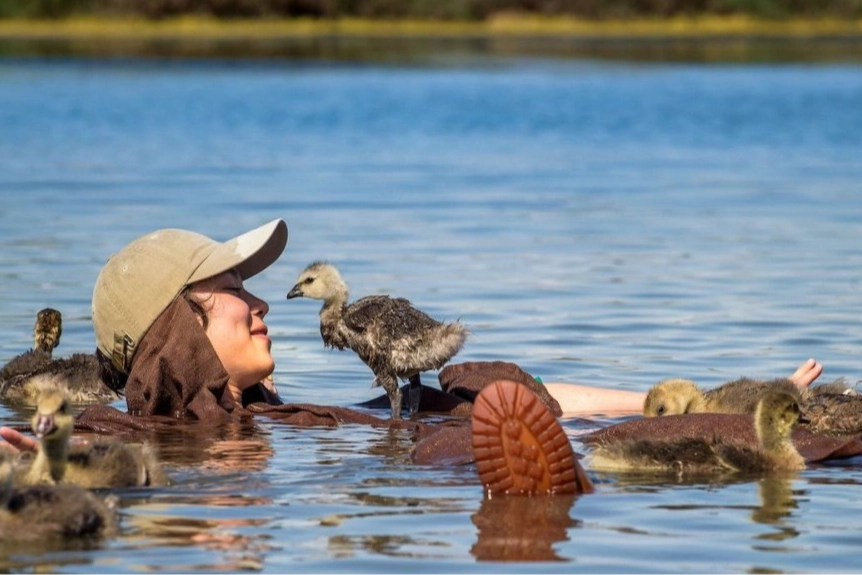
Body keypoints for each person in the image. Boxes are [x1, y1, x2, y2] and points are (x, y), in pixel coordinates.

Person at [0, 217, 825, 456]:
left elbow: (545, 397)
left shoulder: (286, 419)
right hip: (434, 474)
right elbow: (43, 449)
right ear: (176, 335)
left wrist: (729, 397)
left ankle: (731, 428)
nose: (262, 306)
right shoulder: (129, 438)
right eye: (234, 294)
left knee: (475, 389)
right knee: (463, 434)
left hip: (406, 448)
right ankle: (538, 493)